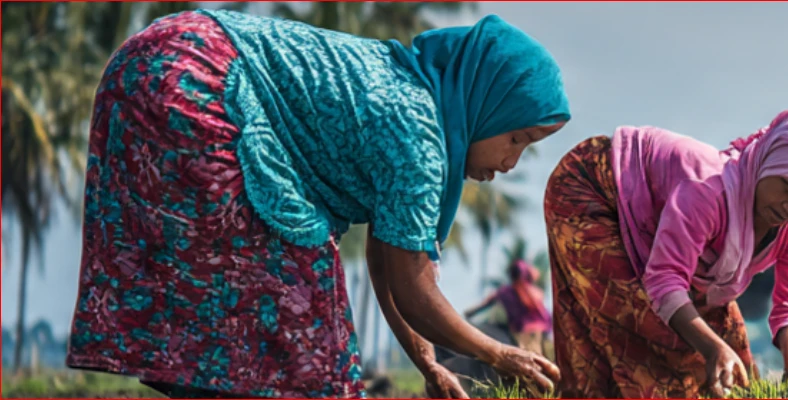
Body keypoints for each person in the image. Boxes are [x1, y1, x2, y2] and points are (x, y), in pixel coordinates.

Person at [65, 9, 567, 398]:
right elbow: (412, 283)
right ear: (488, 104)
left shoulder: (411, 98)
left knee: (247, 321)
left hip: (150, 62)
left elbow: (388, 260)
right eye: (517, 137)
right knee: (304, 314)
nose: (511, 162)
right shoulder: (417, 132)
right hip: (194, 80)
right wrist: (501, 355)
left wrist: (428, 363)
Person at [542, 109, 788, 398]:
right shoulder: (709, 190)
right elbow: (665, 280)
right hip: (595, 188)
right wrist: (710, 348)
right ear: (767, 161)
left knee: (731, 350)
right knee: (643, 329)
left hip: (655, 229)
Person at [465, 261, 555, 357]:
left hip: (526, 333)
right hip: (542, 332)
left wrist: (470, 313)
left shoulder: (505, 291)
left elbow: (485, 304)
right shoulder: (534, 292)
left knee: (533, 360)